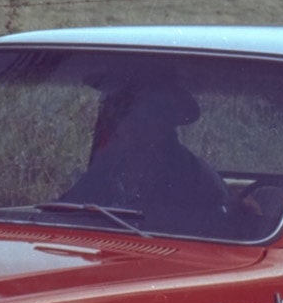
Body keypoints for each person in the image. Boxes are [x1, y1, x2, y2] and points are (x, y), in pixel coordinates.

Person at [61, 82, 231, 236]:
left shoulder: (193, 174)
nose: (122, 125)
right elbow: (65, 208)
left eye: (140, 116)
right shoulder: (109, 166)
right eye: (120, 115)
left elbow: (207, 235)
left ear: (165, 123)